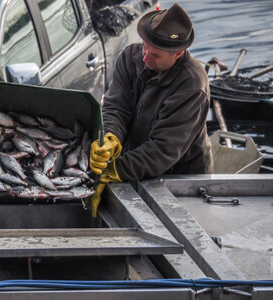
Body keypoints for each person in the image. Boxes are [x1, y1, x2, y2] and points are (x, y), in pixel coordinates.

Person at [89, 3, 213, 216]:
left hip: (182, 182)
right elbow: (116, 107)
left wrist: (114, 170)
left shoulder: (192, 86)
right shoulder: (130, 57)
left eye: (155, 55)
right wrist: (110, 137)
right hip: (136, 163)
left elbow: (162, 150)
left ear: (178, 53)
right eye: (145, 47)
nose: (145, 57)